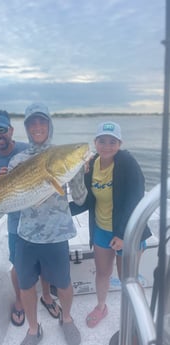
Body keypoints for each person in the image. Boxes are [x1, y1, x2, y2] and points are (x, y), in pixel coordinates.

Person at [0, 108, 61, 327]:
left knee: (44, 265)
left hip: (38, 221)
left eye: (2, 129)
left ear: (11, 130)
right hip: (15, 223)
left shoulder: (29, 151)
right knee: (18, 265)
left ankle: (46, 296)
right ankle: (19, 300)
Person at [8, 103, 86, 345]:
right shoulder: (18, 160)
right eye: (32, 123)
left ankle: (67, 319)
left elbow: (81, 198)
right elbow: (11, 200)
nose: (37, 127)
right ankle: (33, 329)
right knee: (26, 286)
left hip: (57, 234)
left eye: (42, 122)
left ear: (49, 125)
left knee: (63, 284)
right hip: (27, 236)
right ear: (27, 127)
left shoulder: (62, 155)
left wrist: (78, 174)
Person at [70, 121, 151, 328]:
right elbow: (89, 200)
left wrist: (124, 234)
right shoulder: (91, 164)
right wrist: (62, 211)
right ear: (95, 143)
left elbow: (136, 198)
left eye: (112, 141)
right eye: (102, 141)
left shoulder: (127, 162)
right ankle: (101, 306)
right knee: (103, 273)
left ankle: (138, 316)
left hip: (129, 230)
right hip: (101, 229)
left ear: (119, 143)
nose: (107, 146)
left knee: (128, 278)